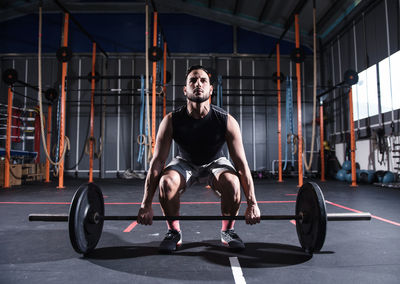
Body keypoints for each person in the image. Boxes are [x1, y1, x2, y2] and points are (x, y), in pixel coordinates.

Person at [137, 65, 261, 252]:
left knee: (233, 183)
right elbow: (157, 164)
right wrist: (145, 205)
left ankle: (228, 232)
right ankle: (173, 232)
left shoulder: (226, 120)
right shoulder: (171, 120)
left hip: (216, 162)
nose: (198, 84)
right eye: (192, 80)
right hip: (185, 162)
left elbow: (241, 165)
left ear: (211, 89)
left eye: (203, 80)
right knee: (166, 182)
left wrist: (253, 204)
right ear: (185, 89)